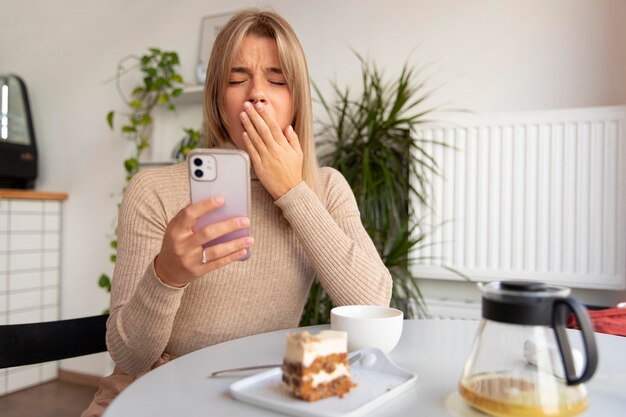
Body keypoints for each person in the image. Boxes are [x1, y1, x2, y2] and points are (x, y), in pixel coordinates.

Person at [82, 8, 392, 416]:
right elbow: (129, 356)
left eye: (277, 79)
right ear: (217, 98)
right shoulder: (154, 191)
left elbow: (372, 302)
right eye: (236, 78)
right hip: (154, 394)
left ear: (297, 100)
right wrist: (166, 276)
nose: (257, 93)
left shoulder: (326, 188)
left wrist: (293, 191)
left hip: (259, 397)